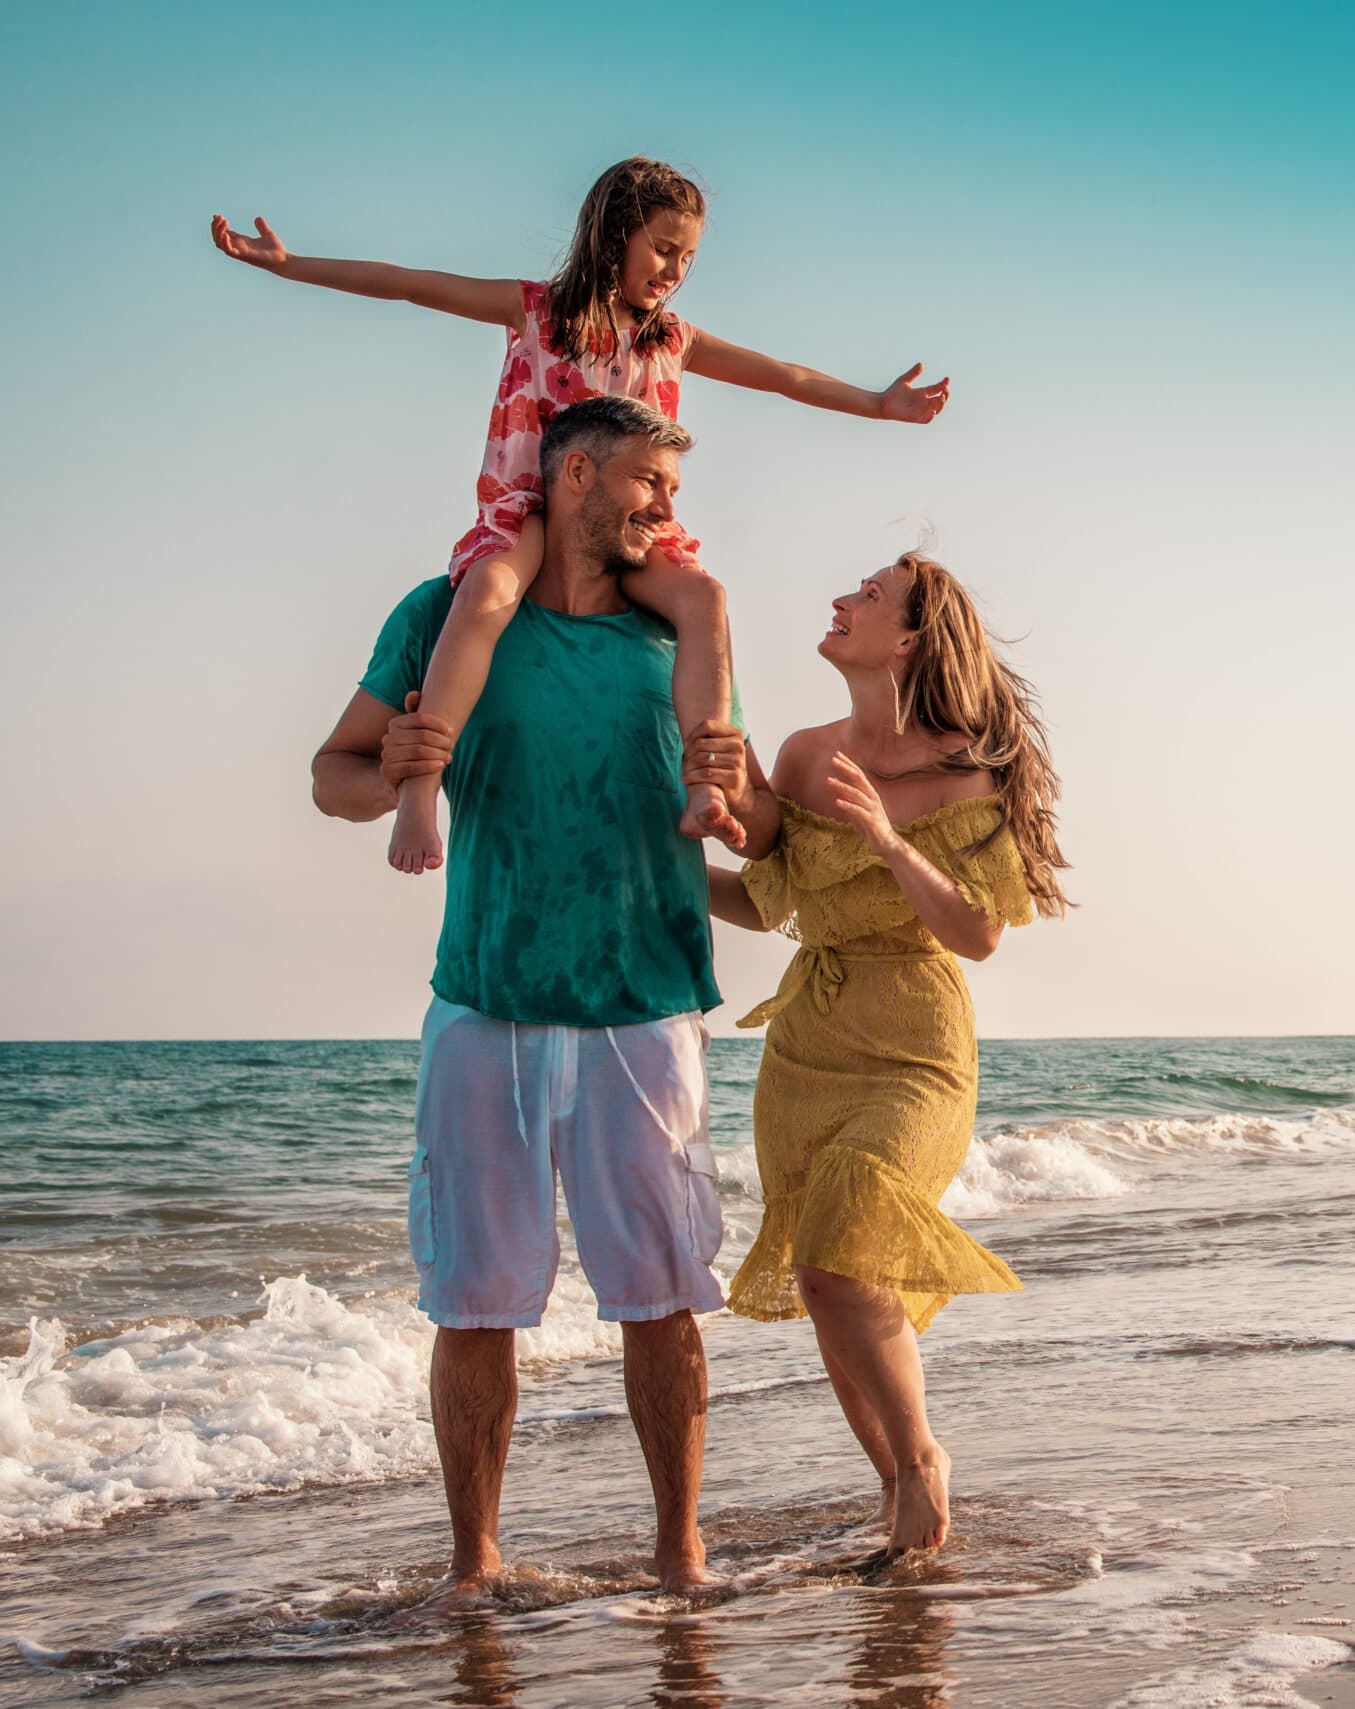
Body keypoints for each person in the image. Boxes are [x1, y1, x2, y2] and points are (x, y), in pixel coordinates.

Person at [311, 394, 775, 1605]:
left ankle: (681, 1556)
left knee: (665, 1295)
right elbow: (331, 775)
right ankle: (475, 1564)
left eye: (672, 491)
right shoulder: (447, 612)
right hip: (486, 998)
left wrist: (737, 790)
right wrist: (399, 772)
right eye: (646, 484)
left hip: (647, 1001)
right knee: (472, 1300)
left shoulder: (678, 631)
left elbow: (749, 811)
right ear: (573, 474)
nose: (666, 513)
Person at [217, 155, 950, 874]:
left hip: (633, 526)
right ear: (614, 236)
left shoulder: (674, 341)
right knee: (486, 594)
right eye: (663, 248)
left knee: (705, 598)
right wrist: (290, 265)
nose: (674, 270)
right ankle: (418, 790)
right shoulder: (537, 311)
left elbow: (786, 377)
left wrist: (879, 406)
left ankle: (706, 785)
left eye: (688, 257)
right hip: (537, 510)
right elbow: (413, 286)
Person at [709, 551, 1067, 1561]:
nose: (839, 598)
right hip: (807, 1041)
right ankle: (895, 1486)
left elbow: (982, 932)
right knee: (825, 1273)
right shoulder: (801, 751)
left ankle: (921, 1466)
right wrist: (659, 866)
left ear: (907, 637)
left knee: (852, 1225)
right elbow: (767, 901)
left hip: (916, 1043)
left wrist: (886, 835)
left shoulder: (968, 767)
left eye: (866, 594)